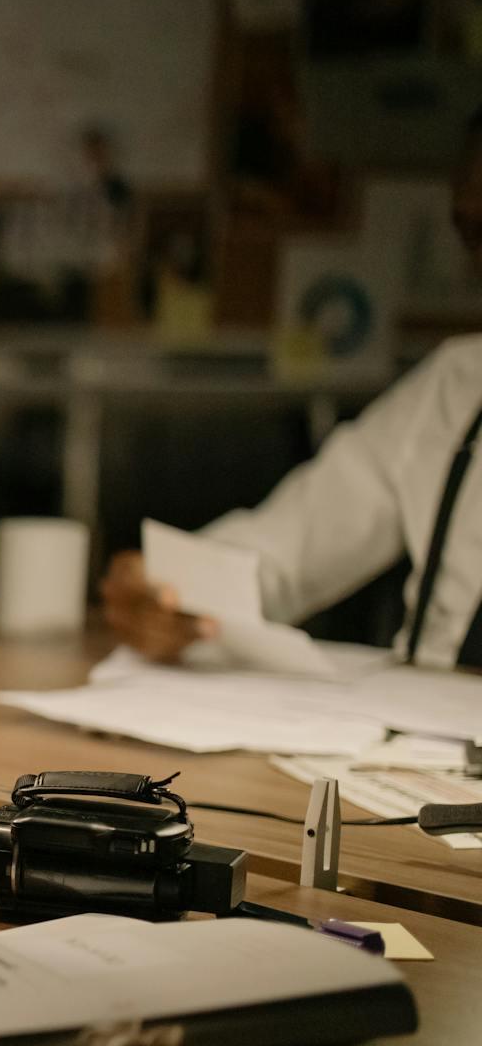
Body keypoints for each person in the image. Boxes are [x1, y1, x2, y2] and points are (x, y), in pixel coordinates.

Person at [103, 129, 482, 670]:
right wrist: (171, 589)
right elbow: (288, 550)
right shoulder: (457, 387)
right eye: (473, 233)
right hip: (417, 745)